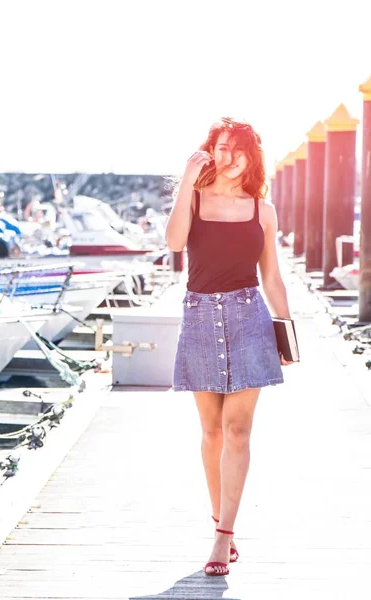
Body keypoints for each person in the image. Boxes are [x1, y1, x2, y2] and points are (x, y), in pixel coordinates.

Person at [165, 117, 294, 577]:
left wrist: (287, 332)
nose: (228, 157)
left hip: (248, 319)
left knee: (238, 431)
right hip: (199, 318)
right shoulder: (195, 200)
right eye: (221, 148)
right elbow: (174, 242)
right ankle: (223, 521)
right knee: (212, 432)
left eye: (238, 150)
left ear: (252, 157)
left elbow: (272, 277)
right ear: (210, 151)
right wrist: (186, 179)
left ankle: (222, 538)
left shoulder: (263, 210)